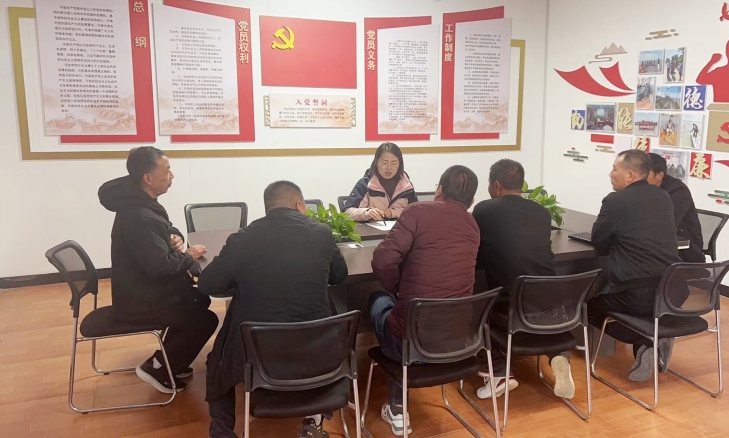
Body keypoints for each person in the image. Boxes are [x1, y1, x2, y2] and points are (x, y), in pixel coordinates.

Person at [200, 181, 348, 438]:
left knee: (217, 360)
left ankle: (222, 432)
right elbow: (339, 275)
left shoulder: (243, 238)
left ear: (267, 208)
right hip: (317, 350)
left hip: (258, 354)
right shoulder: (321, 233)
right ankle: (314, 419)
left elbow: (208, 284)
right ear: (299, 205)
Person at [369, 165, 480, 436]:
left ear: (438, 189)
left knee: (377, 300)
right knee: (408, 315)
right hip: (456, 339)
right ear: (472, 200)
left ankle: (397, 409)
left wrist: (397, 288)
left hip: (410, 339)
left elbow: (382, 260)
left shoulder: (417, 212)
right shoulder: (472, 224)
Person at [98, 147, 219, 394]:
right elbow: (159, 266)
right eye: (167, 170)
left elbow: (165, 229)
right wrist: (188, 255)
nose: (172, 175)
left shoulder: (141, 203)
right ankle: (157, 366)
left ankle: (172, 362)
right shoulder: (138, 215)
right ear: (148, 178)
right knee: (204, 317)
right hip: (141, 300)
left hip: (145, 290)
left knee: (199, 301)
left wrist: (174, 237)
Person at [471, 160, 575, 400]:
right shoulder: (541, 212)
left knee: (476, 308)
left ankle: (499, 373)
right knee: (533, 304)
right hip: (551, 308)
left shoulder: (485, 209)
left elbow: (479, 250)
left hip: (510, 311)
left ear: (496, 185)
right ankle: (558, 353)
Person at [588, 150, 681, 382]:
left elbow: (599, 240)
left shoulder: (616, 201)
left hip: (636, 293)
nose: (610, 174)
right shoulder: (663, 197)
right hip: (670, 293)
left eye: (614, 169)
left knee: (587, 307)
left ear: (630, 175)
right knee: (637, 303)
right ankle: (652, 339)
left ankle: (647, 340)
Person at [648, 153, 704, 263]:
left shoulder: (678, 191)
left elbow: (666, 225)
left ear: (659, 175)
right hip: (656, 246)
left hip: (684, 252)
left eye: (644, 174)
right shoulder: (641, 189)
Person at [344, 142, 418, 222]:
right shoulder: (365, 184)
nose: (389, 167)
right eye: (384, 163)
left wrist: (394, 212)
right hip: (371, 228)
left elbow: (416, 212)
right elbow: (347, 213)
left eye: (394, 163)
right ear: (376, 162)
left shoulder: (406, 186)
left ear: (399, 164)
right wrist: (367, 213)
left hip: (400, 228)